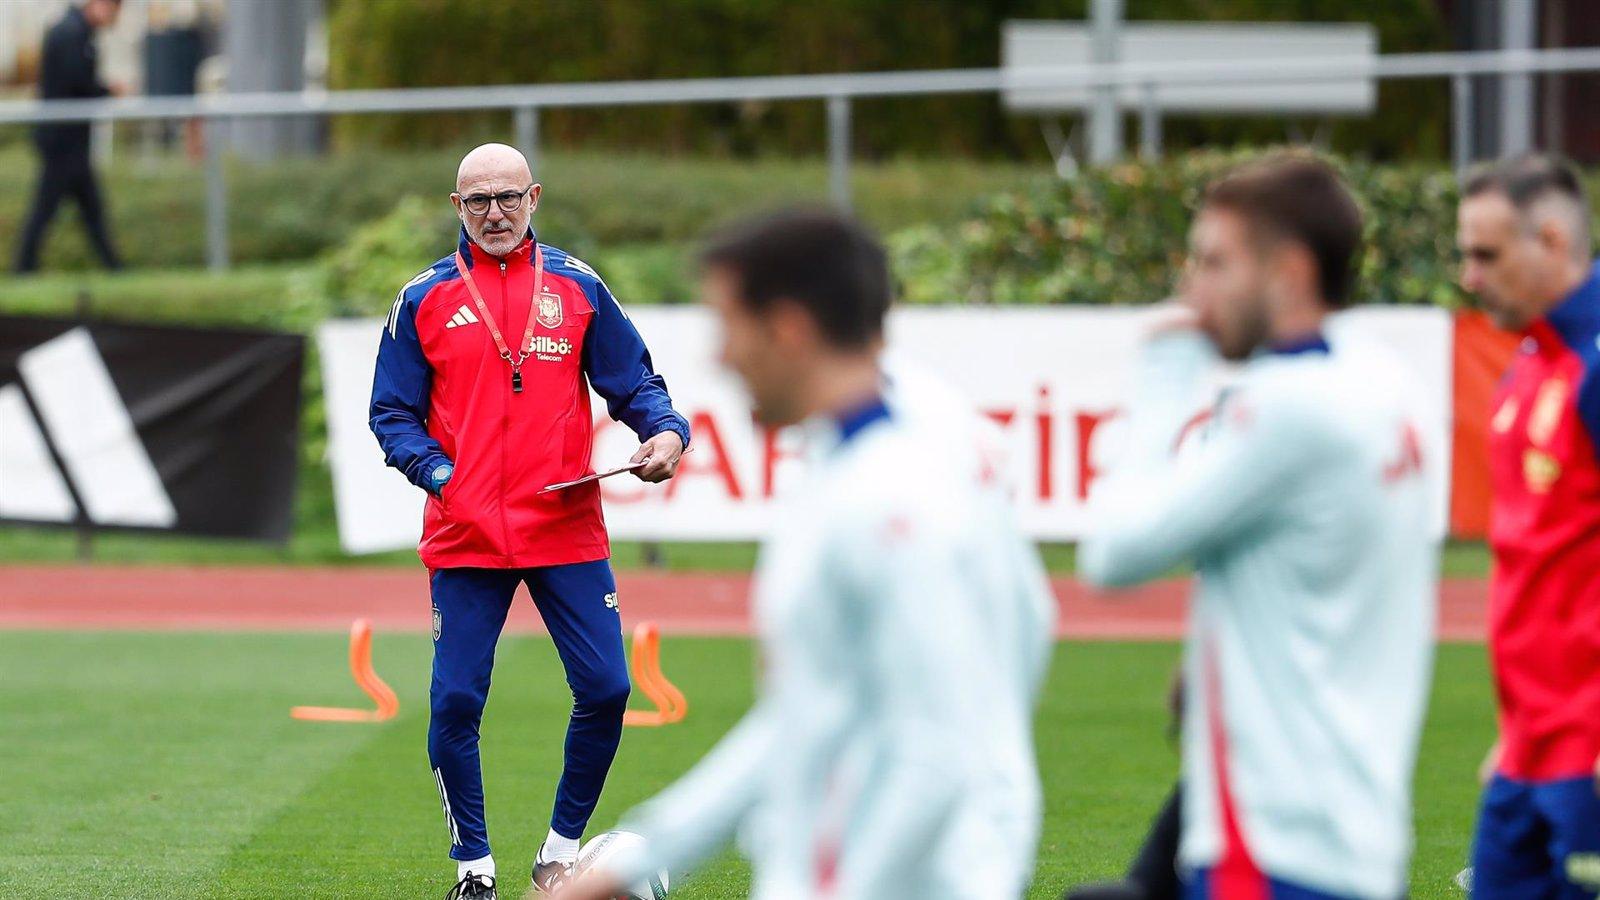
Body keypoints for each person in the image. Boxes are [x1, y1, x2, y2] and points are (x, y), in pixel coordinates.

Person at [557, 209, 1056, 899]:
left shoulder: (892, 493)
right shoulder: (866, 451)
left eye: (727, 328)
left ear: (787, 329)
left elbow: (939, 751)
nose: (719, 358)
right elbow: (807, 713)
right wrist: (645, 855)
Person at [1078, 155, 1436, 900]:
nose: (1191, 291)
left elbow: (1113, 551)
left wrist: (1166, 379)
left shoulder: (1283, 406)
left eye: (1214, 262)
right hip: (1358, 830)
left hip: (1272, 839)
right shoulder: (1383, 381)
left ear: (1289, 270)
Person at [369, 143, 691, 900]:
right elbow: (391, 413)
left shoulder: (577, 288)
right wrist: (443, 475)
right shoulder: (423, 298)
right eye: (477, 201)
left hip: (564, 525)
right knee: (454, 701)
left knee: (609, 688)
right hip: (467, 533)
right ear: (457, 208)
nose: (494, 213)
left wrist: (666, 432)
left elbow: (635, 382)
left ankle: (559, 853)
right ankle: (473, 869)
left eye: (507, 197)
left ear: (535, 196)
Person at [1456, 153, 1600, 900]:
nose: (1469, 276)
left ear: (1549, 241)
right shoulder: (1527, 365)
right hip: (1526, 752)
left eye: (1487, 254)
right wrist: (1515, 732)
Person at [14, 0, 125, 274]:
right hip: (62, 140)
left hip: (71, 139)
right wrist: (108, 91)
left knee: (89, 209)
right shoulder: (70, 33)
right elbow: (75, 81)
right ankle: (23, 268)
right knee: (49, 209)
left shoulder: (78, 32)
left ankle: (114, 268)